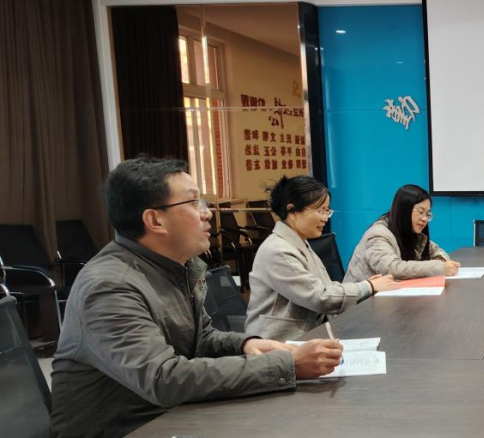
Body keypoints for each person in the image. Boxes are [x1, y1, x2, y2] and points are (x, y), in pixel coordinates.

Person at [50, 158, 344, 437]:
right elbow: (163, 379)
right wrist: (288, 365)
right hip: (127, 428)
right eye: (193, 203)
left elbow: (201, 339)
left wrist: (246, 344)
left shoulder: (177, 266)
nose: (207, 213)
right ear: (154, 220)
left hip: (170, 415)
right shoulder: (110, 286)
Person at [246, 175, 399, 341]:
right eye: (320, 211)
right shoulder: (278, 250)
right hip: (279, 345)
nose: (325, 218)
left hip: (310, 336)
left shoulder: (299, 242)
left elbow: (326, 286)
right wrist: (367, 286)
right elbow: (320, 297)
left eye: (327, 211)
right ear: (292, 211)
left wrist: (366, 286)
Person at [346, 184, 460, 281]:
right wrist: (439, 268)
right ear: (404, 210)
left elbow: (436, 251)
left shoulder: (409, 232)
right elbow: (391, 268)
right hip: (365, 299)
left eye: (428, 214)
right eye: (421, 212)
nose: (425, 219)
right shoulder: (378, 234)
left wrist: (442, 263)